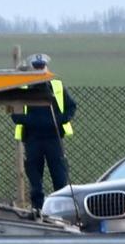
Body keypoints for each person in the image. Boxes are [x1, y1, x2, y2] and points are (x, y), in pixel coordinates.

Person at [12, 60, 77, 210]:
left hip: (54, 139)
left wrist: (59, 120)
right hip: (32, 140)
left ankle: (62, 209)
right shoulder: (24, 88)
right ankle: (38, 210)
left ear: (47, 69)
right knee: (35, 180)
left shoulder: (57, 87)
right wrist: (33, 122)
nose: (40, 71)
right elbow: (15, 114)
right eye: (37, 68)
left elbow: (71, 107)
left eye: (42, 68)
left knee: (59, 177)